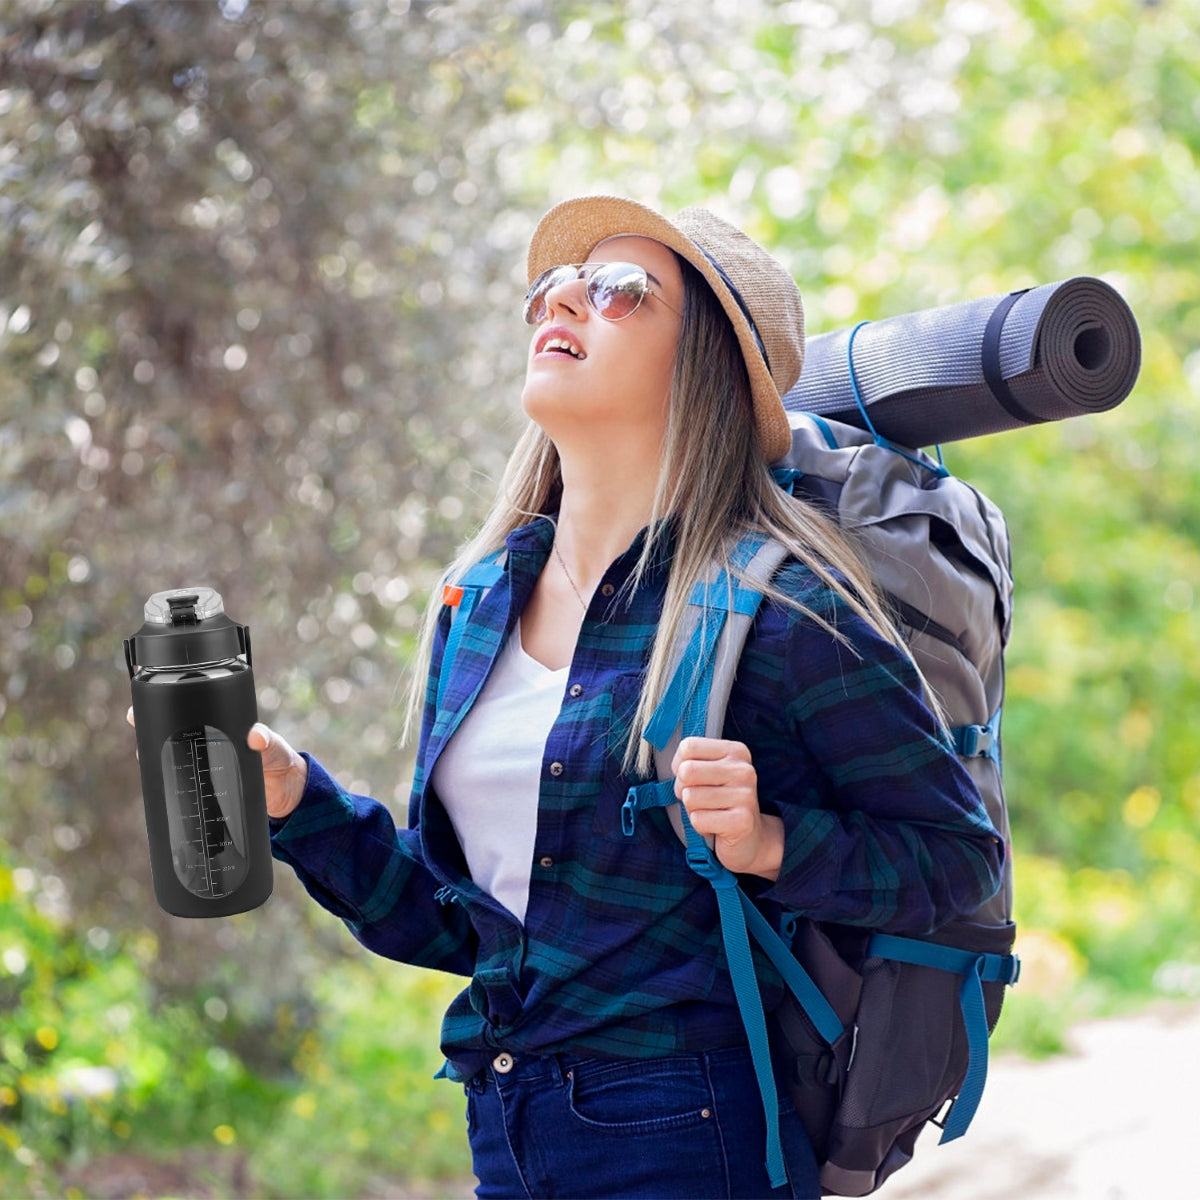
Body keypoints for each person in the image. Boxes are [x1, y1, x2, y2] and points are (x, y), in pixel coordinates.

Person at [158, 196, 1005, 1198]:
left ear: (708, 367)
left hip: (687, 1139)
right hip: (506, 1126)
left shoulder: (783, 609)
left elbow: (958, 864)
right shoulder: (474, 604)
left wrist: (772, 843)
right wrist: (301, 803)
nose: (564, 300)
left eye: (616, 293)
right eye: (555, 289)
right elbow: (459, 923)